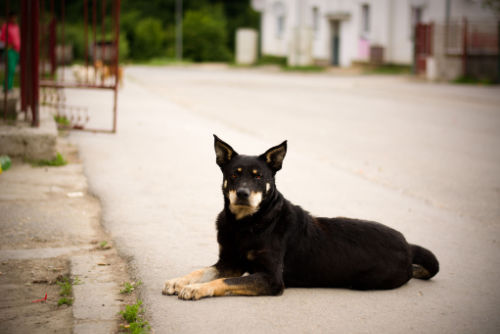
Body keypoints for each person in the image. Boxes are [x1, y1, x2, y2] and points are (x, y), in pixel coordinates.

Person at [1, 11, 20, 92]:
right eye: (13, 17)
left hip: (16, 50)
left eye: (15, 17)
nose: (14, 19)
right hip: (10, 49)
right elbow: (2, 38)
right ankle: (6, 87)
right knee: (10, 69)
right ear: (9, 18)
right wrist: (9, 42)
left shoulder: (16, 27)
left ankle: (10, 86)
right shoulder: (6, 26)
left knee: (13, 69)